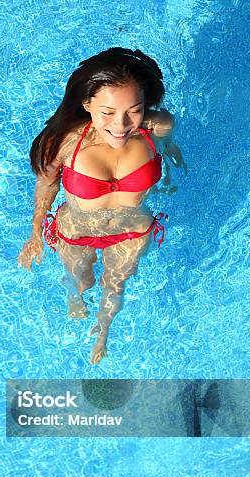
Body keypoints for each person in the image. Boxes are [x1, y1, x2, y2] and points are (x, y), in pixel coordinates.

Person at [18, 47, 182, 364]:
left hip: (131, 233)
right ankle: (75, 297)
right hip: (75, 233)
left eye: (133, 111)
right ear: (86, 103)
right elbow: (46, 185)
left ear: (145, 107)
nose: (120, 125)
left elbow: (170, 147)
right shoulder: (65, 143)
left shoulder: (156, 129)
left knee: (114, 288)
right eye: (107, 112)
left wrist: (174, 167)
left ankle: (103, 333)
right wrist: (35, 233)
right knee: (82, 280)